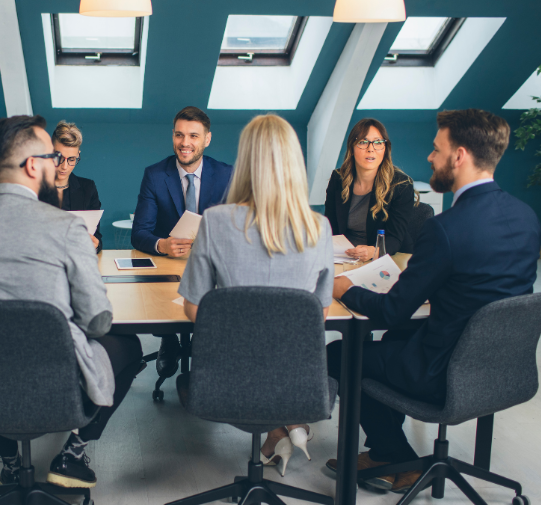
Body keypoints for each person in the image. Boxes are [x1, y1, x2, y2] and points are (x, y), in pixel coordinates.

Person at [325, 109, 541, 493]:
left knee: (342, 354)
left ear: (459, 156)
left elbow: (392, 310)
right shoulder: (526, 217)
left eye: (437, 149)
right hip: (498, 367)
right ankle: (385, 454)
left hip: (442, 369)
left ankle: (395, 456)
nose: (430, 157)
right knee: (392, 342)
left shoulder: (445, 229)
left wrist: (344, 289)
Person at [0, 115, 144, 489]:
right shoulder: (65, 227)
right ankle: (74, 450)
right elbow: (97, 321)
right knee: (127, 344)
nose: (58, 164)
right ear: (33, 165)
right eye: (52, 156)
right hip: (56, 383)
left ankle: (10, 461)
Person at [177, 114, 334, 476]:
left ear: (245, 161)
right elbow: (318, 315)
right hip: (298, 382)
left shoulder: (215, 220)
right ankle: (284, 429)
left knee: (189, 381)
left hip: (226, 377)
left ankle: (275, 436)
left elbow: (194, 308)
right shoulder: (319, 227)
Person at [131, 106, 234, 380]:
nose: (185, 143)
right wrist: (162, 245)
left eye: (193, 136)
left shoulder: (226, 175)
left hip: (211, 265)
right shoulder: (154, 175)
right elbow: (139, 232)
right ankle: (168, 339)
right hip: (167, 265)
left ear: (207, 139)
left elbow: (238, 229)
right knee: (157, 297)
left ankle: (203, 346)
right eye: (179, 135)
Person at [324, 119, 415, 261]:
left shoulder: (401, 185)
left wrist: (373, 251)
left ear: (385, 149)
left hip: (387, 258)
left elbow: (395, 238)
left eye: (378, 142)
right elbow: (330, 228)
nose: (370, 148)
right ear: (352, 148)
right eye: (363, 142)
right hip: (346, 257)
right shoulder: (338, 179)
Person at [38, 120, 104, 253]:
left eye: (71, 159)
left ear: (78, 155)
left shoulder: (88, 188)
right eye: (59, 158)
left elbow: (97, 238)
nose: (65, 166)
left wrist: (95, 246)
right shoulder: (33, 187)